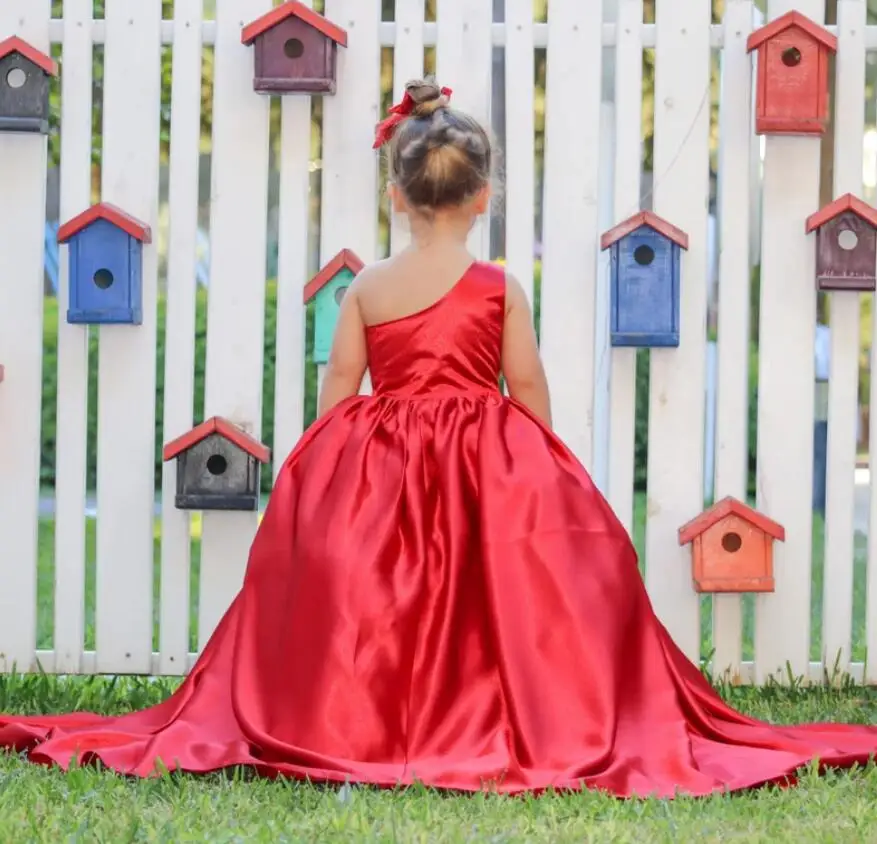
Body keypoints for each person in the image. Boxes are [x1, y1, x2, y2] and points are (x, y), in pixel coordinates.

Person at [1, 80, 876, 799]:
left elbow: (338, 388)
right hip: (482, 459)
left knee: (380, 598)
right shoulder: (498, 285)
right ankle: (485, 710)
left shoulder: (369, 285)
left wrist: (326, 470)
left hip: (381, 463)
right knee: (491, 596)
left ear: (395, 195)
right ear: (484, 197)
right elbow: (523, 384)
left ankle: (365, 715)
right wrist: (539, 460)